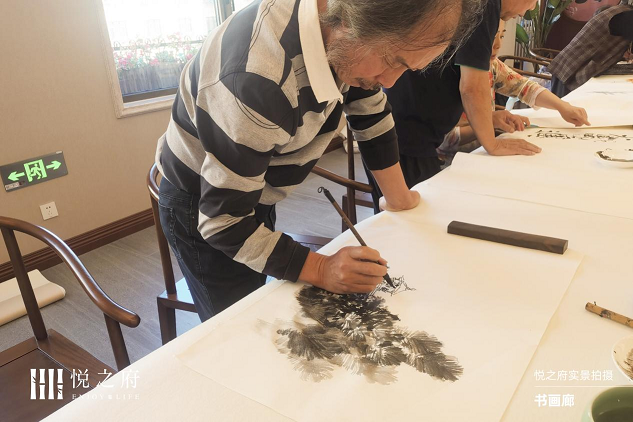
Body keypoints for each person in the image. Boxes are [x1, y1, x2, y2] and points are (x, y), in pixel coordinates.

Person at [154, 0, 482, 321]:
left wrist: (399, 199)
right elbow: (224, 222)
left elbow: (371, 113)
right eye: (391, 61)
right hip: (201, 202)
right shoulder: (258, 78)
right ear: (350, 21)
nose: (390, 82)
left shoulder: (348, 37)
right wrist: (322, 268)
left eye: (407, 68)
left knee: (260, 293)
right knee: (239, 325)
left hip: (250, 188)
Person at [364, 0, 544, 212]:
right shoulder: (485, 4)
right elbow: (472, 87)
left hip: (398, 130)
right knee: (413, 220)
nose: (531, 9)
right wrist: (493, 144)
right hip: (407, 136)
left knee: (407, 217)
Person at [438, 20, 590, 160]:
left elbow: (525, 87)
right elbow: (443, 142)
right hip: (451, 161)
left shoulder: (491, 65)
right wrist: (490, 122)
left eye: (501, 36)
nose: (498, 44)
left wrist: (562, 106)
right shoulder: (444, 74)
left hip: (483, 152)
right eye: (491, 37)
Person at [549, 2, 633, 97]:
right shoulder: (627, 17)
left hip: (571, 67)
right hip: (572, 71)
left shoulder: (622, 11)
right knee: (563, 104)